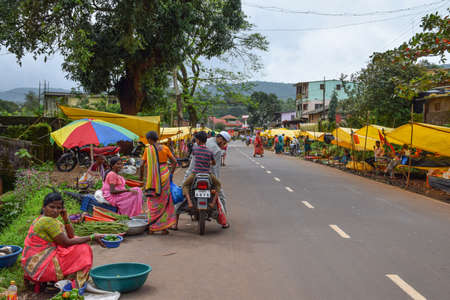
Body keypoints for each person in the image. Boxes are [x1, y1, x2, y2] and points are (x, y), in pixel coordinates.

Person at [22, 192, 105, 289]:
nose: (55, 211)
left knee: (78, 240)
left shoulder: (46, 219)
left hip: (33, 264)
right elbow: (66, 243)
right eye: (52, 207)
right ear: (44, 207)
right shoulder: (47, 221)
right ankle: (76, 284)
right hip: (41, 267)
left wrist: (65, 218)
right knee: (84, 249)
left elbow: (71, 236)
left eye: (58, 208)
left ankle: (70, 278)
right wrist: (91, 237)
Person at [175, 131, 231, 230]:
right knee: (220, 194)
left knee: (182, 190)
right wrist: (215, 181)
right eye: (224, 143)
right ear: (220, 139)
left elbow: (192, 159)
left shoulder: (197, 147)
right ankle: (223, 221)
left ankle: (174, 222)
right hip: (208, 175)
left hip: (192, 173)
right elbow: (215, 168)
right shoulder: (216, 151)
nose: (224, 145)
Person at [140, 130, 178, 235]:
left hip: (152, 178)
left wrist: (141, 178)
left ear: (149, 139)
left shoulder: (148, 150)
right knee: (164, 202)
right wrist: (171, 174)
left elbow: (142, 165)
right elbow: (175, 162)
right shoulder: (165, 148)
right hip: (164, 176)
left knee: (152, 202)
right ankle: (164, 228)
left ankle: (152, 227)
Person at [182, 131, 222, 209]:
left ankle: (189, 202)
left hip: (195, 174)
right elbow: (213, 163)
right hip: (208, 174)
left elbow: (193, 159)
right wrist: (208, 162)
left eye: (196, 139)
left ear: (198, 141)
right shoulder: (210, 152)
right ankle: (213, 203)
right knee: (218, 185)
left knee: (185, 185)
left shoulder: (195, 150)